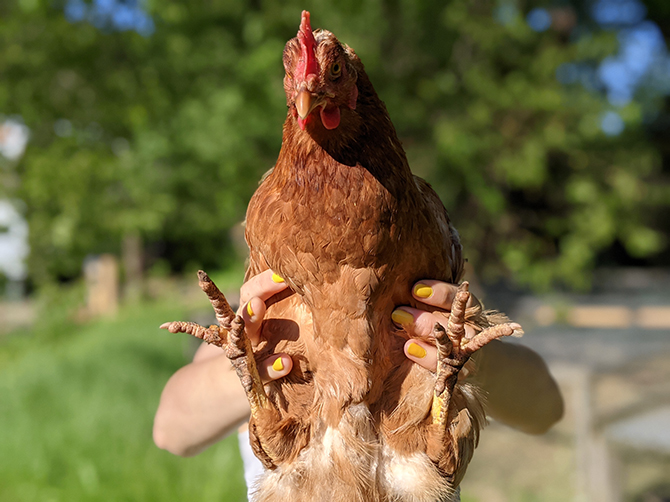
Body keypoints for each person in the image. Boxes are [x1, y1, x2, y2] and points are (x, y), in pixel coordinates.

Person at [154, 269, 563, 499]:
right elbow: (171, 431)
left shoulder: (418, 295)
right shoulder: (265, 318)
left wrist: (471, 359)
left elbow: (548, 408)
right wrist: (249, 366)